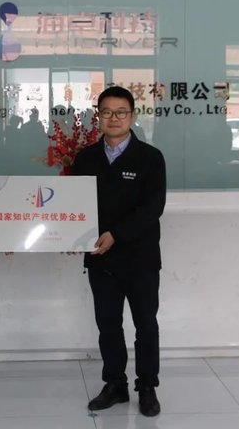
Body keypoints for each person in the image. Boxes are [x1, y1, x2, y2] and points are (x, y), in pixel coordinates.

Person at [71, 86, 167, 417]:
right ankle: (115, 384)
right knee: (108, 325)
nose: (114, 118)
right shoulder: (85, 158)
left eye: (121, 112)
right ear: (98, 116)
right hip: (101, 258)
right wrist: (70, 237)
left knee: (145, 324)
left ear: (132, 116)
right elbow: (74, 206)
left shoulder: (150, 158)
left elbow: (152, 208)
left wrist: (117, 234)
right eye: (107, 112)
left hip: (140, 259)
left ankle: (147, 386)